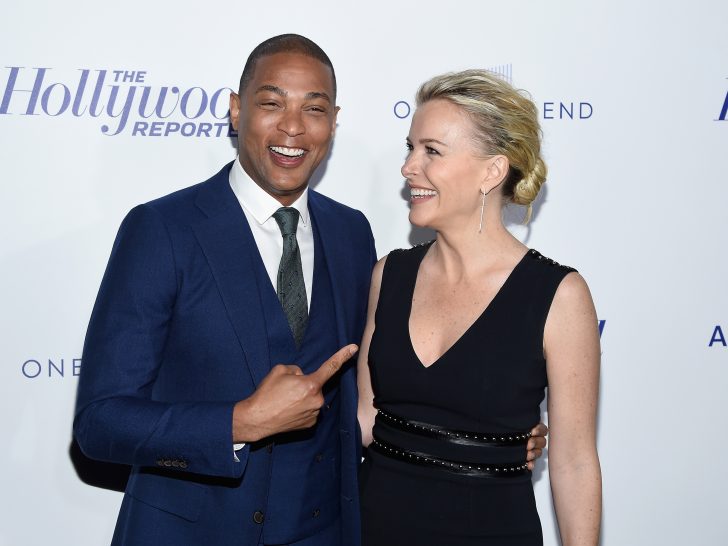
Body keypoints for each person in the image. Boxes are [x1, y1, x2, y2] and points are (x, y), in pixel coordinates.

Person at [74, 34, 546, 546]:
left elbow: (374, 398)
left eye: (314, 109)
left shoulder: (351, 234)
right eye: (271, 103)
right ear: (236, 110)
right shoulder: (162, 229)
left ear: (333, 122)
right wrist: (238, 423)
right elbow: (100, 422)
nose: (293, 126)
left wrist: (482, 438)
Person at [357, 69, 602, 546]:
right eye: (411, 147)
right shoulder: (390, 275)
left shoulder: (558, 295)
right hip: (374, 527)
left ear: (492, 171)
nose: (408, 167)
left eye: (432, 151)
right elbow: (365, 421)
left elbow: (574, 462)